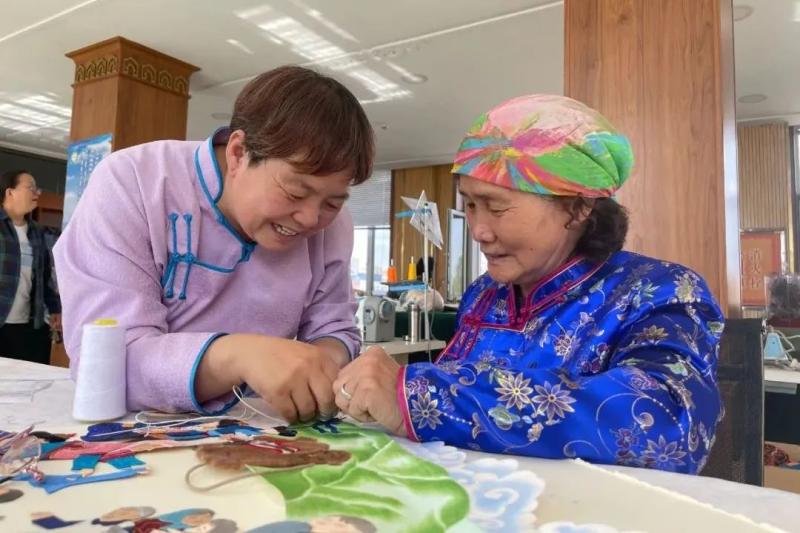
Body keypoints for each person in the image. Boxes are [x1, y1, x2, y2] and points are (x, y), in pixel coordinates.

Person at [333, 94, 724, 474]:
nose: (478, 231)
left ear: (578, 206)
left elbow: (670, 420)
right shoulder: (484, 294)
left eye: (496, 207)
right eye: (470, 205)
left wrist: (418, 394)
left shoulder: (661, 292)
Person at [54, 66, 374, 422]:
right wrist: (239, 356)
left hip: (262, 427)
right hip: (136, 429)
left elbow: (333, 329)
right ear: (238, 153)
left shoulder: (333, 225)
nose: (311, 219)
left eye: (332, 202)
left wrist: (323, 365)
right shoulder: (133, 182)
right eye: (295, 192)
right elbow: (107, 364)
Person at [0, 170, 61, 364]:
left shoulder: (36, 231)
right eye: (30, 187)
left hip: (30, 326)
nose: (37, 192)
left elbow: (44, 276)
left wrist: (55, 308)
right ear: (10, 192)